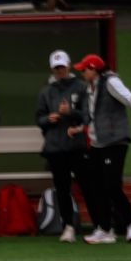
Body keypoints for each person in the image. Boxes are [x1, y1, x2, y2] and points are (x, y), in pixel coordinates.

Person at [74, 53, 131, 245]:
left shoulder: (111, 82)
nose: (82, 73)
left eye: (84, 69)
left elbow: (129, 97)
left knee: (112, 186)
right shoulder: (89, 88)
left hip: (114, 142)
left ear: (94, 69)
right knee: (97, 188)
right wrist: (79, 128)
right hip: (97, 144)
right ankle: (105, 230)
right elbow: (93, 117)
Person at [35, 48, 87, 243]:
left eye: (62, 67)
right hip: (56, 148)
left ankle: (101, 225)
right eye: (56, 68)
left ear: (69, 66)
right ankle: (68, 226)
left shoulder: (81, 87)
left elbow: (87, 115)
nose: (59, 71)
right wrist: (49, 119)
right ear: (52, 69)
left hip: (77, 146)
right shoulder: (46, 91)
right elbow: (39, 118)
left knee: (87, 186)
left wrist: (69, 112)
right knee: (62, 188)